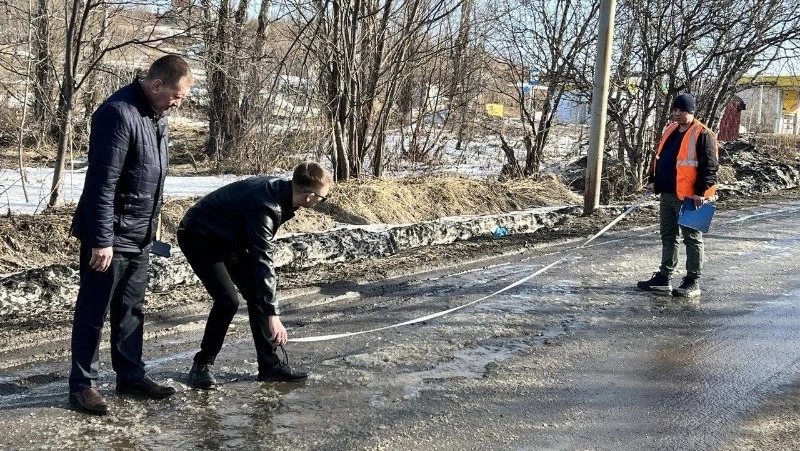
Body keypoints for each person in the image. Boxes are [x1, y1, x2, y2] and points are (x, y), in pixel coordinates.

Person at [68, 55, 193, 415]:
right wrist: (101, 239)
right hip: (111, 236)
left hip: (140, 234)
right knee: (95, 310)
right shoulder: (118, 113)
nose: (177, 103)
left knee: (131, 310)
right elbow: (102, 184)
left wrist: (151, 230)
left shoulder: (157, 118)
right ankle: (82, 386)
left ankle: (130, 375)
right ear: (157, 85)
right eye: (177, 96)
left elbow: (150, 180)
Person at [178, 162, 333, 390]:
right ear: (309, 196)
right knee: (228, 300)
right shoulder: (266, 207)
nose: (321, 202)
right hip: (199, 235)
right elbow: (263, 259)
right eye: (322, 198)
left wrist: (268, 306)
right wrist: (273, 315)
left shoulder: (282, 192)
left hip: (227, 237)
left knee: (259, 293)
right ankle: (201, 365)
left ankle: (269, 366)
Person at [637, 93, 719, 298]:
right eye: (675, 110)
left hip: (692, 197)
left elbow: (710, 166)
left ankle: (693, 280)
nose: (677, 114)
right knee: (668, 235)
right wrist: (653, 179)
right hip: (668, 193)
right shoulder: (671, 130)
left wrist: (701, 192)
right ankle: (664, 277)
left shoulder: (702, 133)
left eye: (681, 110)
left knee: (692, 238)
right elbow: (660, 157)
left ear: (691, 111)